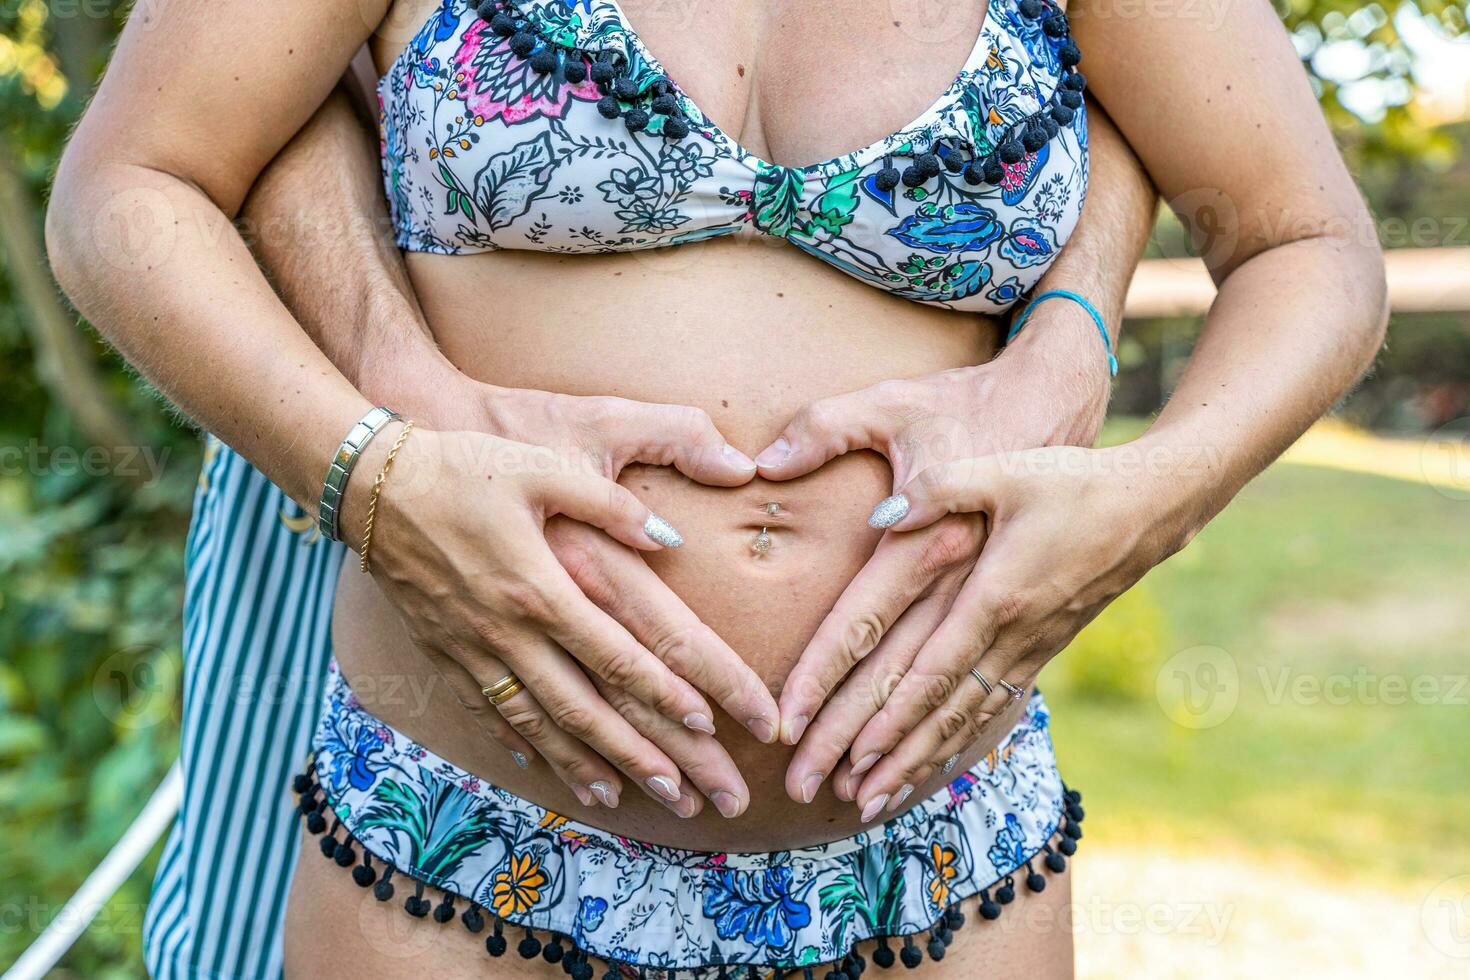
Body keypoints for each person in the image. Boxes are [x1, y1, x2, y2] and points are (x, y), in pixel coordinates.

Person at [45, 0, 1385, 975]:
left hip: (937, 863)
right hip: (462, 851)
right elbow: (137, 181)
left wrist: (1150, 497)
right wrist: (376, 476)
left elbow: (1304, 242)